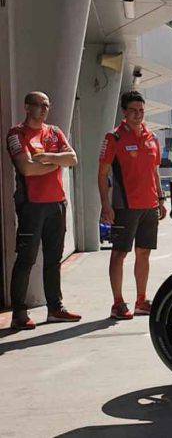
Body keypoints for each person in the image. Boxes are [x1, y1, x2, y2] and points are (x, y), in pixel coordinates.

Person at [5, 91, 81, 330]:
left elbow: (73, 159)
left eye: (47, 105)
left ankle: (55, 309)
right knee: (26, 259)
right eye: (39, 105)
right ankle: (19, 312)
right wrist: (58, 162)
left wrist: (47, 157)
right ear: (27, 107)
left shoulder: (55, 132)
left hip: (57, 204)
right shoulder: (16, 134)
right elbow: (26, 169)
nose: (44, 109)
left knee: (53, 260)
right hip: (32, 206)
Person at [98, 91, 167, 320]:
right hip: (124, 206)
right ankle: (117, 303)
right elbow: (102, 174)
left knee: (144, 253)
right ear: (124, 112)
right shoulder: (114, 138)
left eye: (141, 111)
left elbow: (154, 171)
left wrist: (160, 199)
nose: (137, 115)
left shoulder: (152, 138)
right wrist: (105, 206)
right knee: (119, 254)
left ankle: (141, 300)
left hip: (149, 206)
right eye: (133, 111)